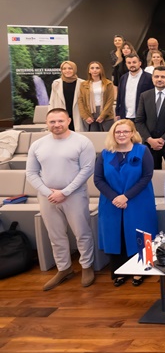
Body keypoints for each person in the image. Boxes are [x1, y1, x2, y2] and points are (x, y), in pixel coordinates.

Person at [26, 109, 96, 291]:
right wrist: (47, 192)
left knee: (82, 233)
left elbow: (87, 170)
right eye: (52, 122)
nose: (56, 125)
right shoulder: (38, 145)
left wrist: (65, 192)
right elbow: (31, 173)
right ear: (46, 123)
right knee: (55, 235)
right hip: (47, 197)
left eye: (60, 121)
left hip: (75, 195)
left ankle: (86, 266)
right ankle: (64, 269)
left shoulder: (82, 142)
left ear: (69, 121)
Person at [94, 119, 157, 287]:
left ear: (132, 133)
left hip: (139, 200)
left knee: (140, 234)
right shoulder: (105, 153)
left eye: (125, 131)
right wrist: (115, 197)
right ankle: (120, 271)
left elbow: (147, 176)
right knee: (116, 234)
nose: (121, 134)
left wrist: (126, 196)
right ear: (113, 134)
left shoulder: (142, 150)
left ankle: (141, 270)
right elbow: (98, 179)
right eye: (118, 132)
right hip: (111, 202)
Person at [78, 61, 115, 132]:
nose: (95, 70)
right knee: (93, 136)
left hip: (106, 113)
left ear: (101, 70)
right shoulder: (83, 84)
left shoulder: (108, 83)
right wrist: (85, 116)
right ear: (89, 71)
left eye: (97, 68)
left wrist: (102, 115)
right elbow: (80, 101)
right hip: (90, 114)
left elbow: (110, 100)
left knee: (107, 136)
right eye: (92, 68)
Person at [116, 54, 154, 121]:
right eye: (129, 63)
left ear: (140, 63)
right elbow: (119, 96)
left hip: (142, 115)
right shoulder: (123, 78)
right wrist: (118, 112)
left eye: (134, 62)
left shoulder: (149, 78)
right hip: (125, 115)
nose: (132, 65)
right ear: (126, 64)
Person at [50, 61, 84, 132]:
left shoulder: (82, 83)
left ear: (74, 69)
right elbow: (52, 101)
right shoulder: (56, 83)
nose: (67, 71)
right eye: (64, 69)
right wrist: (51, 116)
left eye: (70, 68)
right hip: (61, 114)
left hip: (78, 115)